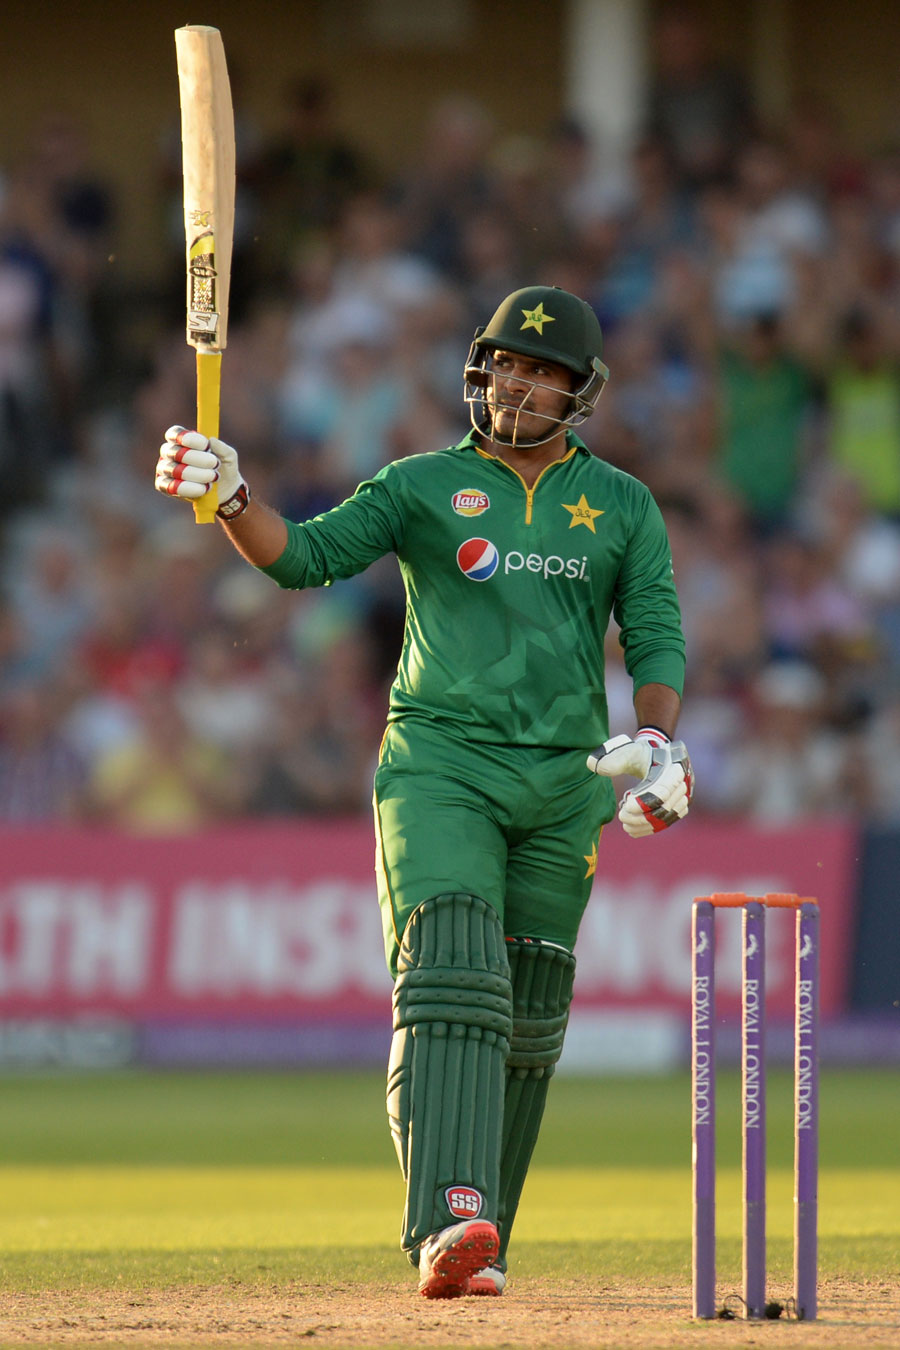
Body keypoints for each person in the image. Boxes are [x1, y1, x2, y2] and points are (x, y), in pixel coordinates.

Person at [154, 284, 693, 1297]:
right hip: (440, 762)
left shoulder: (622, 504)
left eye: (544, 373)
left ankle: (484, 1235)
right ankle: (449, 1217)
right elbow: (303, 557)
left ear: (581, 392)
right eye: (507, 365)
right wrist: (231, 499)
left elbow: (656, 630)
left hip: (565, 778)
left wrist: (658, 736)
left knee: (530, 1010)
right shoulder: (423, 484)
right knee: (451, 969)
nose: (519, 386)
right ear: (479, 370)